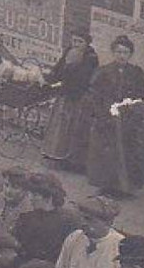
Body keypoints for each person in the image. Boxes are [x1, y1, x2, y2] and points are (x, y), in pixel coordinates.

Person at [85, 34, 144, 197]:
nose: (122, 56)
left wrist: (134, 114)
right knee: (106, 153)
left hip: (127, 118)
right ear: (113, 53)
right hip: (107, 117)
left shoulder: (136, 73)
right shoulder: (103, 72)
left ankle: (125, 188)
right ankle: (106, 186)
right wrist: (101, 115)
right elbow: (95, 95)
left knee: (127, 152)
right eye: (119, 52)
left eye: (125, 52)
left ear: (130, 55)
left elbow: (140, 96)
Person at [41, 28, 100, 172]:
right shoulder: (69, 52)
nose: (76, 44)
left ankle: (69, 160)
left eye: (80, 42)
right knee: (59, 127)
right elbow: (59, 69)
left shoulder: (90, 58)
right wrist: (50, 78)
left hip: (78, 98)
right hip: (65, 95)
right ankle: (54, 155)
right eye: (74, 41)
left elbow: (83, 79)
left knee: (73, 128)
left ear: (86, 43)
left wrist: (69, 69)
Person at [54, 196, 124, 268]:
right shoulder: (74, 238)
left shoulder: (120, 246)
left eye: (89, 219)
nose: (83, 223)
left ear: (108, 222)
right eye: (81, 218)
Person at [13, 172, 82, 264]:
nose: (30, 198)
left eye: (35, 195)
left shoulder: (69, 221)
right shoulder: (26, 217)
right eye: (29, 194)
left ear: (49, 197)